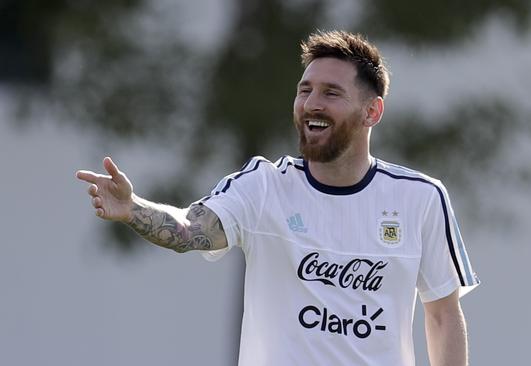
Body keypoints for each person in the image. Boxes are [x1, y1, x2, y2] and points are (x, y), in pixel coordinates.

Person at [76, 30, 479, 366]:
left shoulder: (421, 198)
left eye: (331, 93)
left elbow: (443, 316)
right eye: (305, 90)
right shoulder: (262, 186)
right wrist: (135, 209)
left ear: (372, 112)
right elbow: (189, 229)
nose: (311, 103)